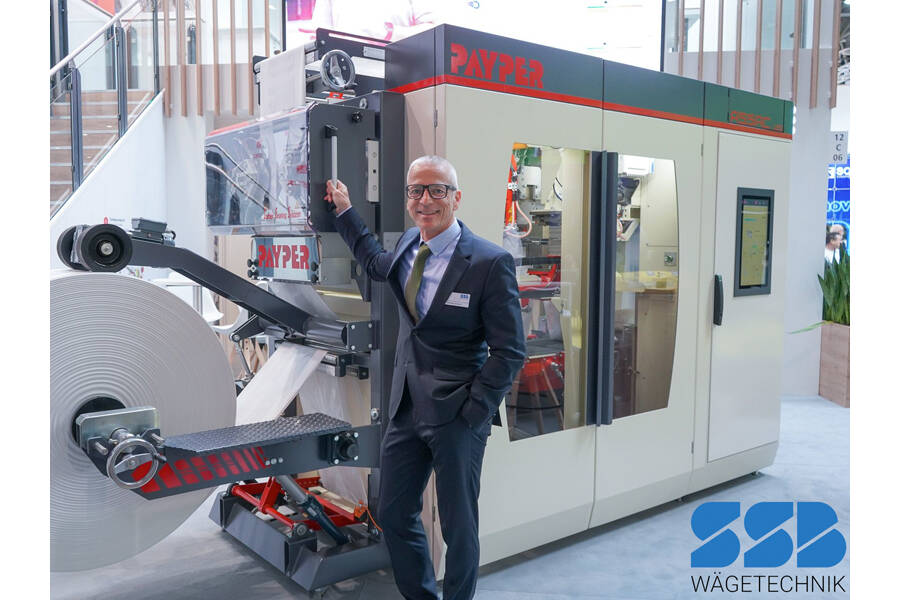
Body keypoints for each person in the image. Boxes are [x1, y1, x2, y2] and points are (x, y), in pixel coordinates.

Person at [324, 156, 526, 600]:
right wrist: (345, 212)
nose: (425, 200)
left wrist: (474, 411)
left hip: (458, 414)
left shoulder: (488, 262)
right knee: (393, 512)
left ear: (456, 197)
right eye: (416, 190)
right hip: (406, 407)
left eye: (437, 190)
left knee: (458, 527)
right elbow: (375, 263)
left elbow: (510, 350)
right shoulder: (407, 245)